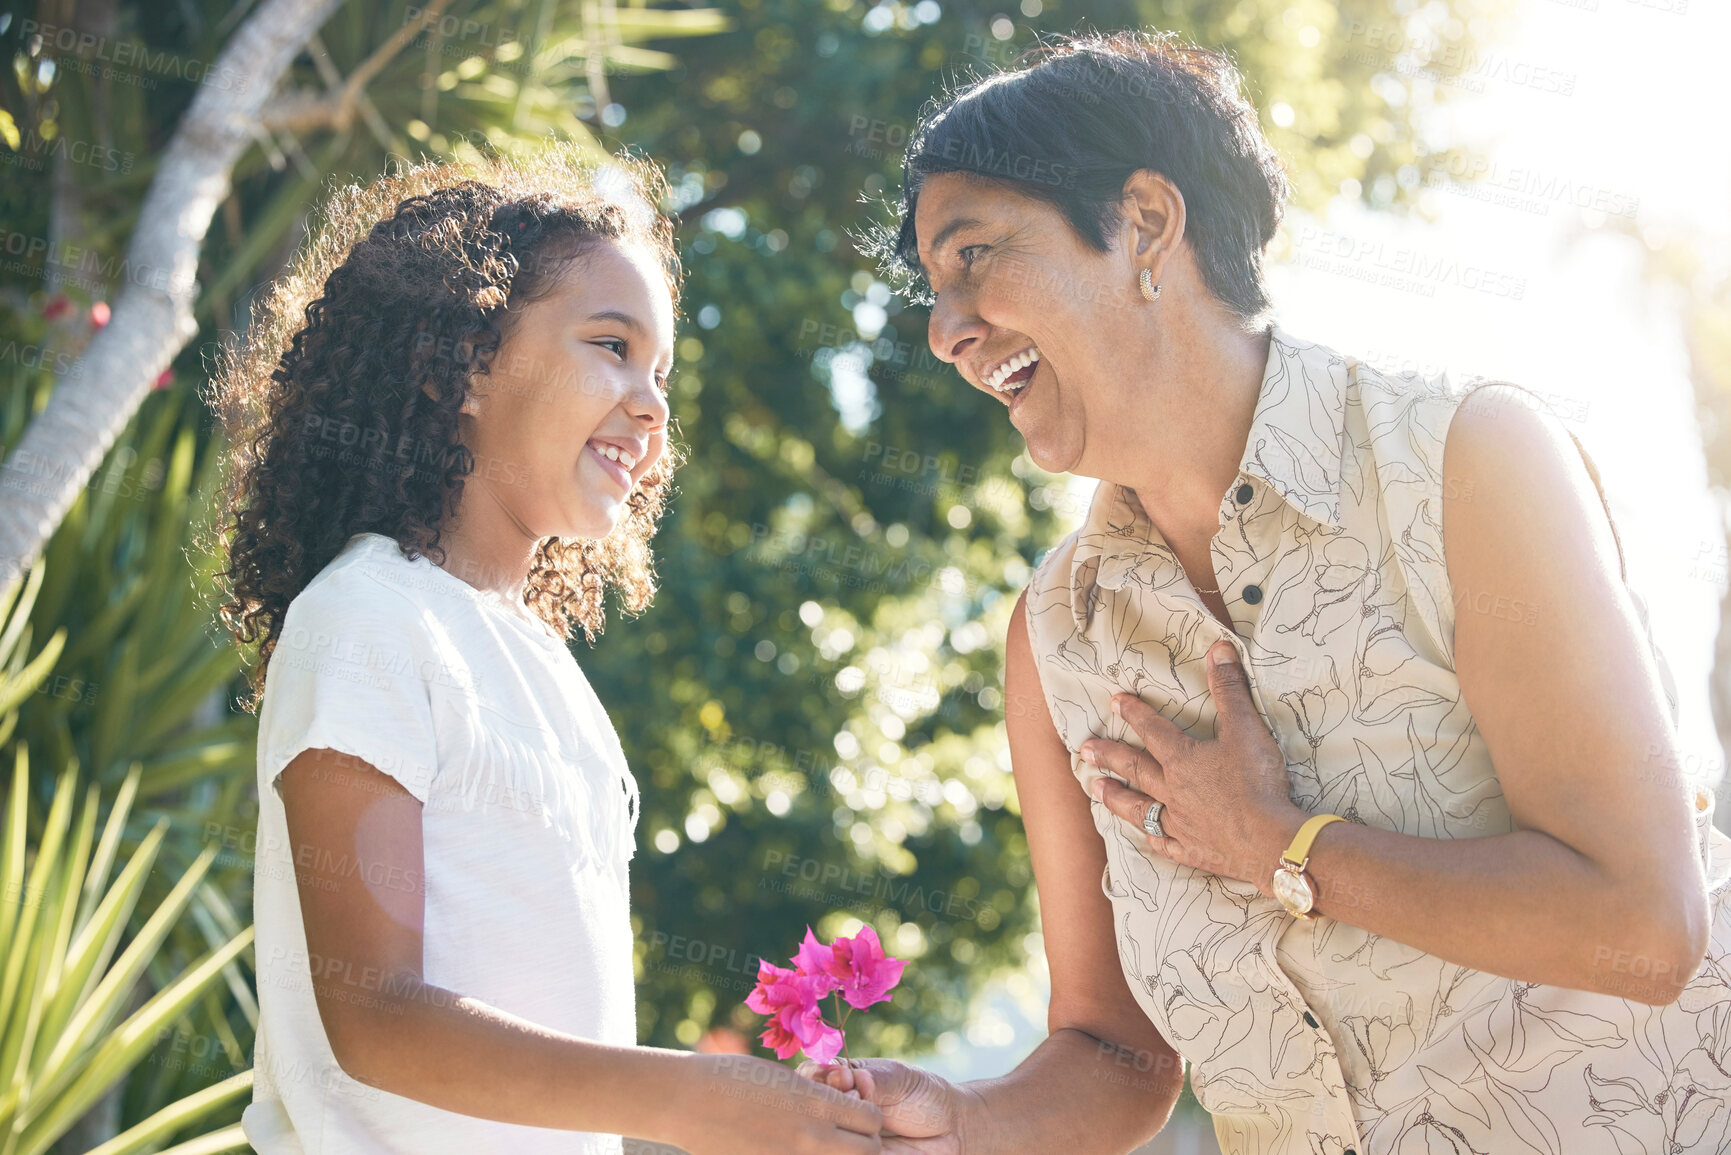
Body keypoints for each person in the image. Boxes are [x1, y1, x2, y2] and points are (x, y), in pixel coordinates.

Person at [803, 30, 1731, 1154]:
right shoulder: (1055, 636)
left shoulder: (1464, 464)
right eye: (933, 291)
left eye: (974, 257)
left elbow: (1642, 923)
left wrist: (1282, 849)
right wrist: (960, 1121)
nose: (946, 332)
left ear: (1146, 224)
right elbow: (1115, 1051)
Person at [212, 148, 884, 1154]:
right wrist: (704, 1099)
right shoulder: (366, 617)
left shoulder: (546, 668)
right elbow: (375, 1014)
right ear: (465, 366)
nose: (653, 405)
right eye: (612, 346)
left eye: (661, 372)